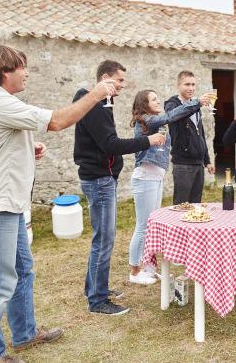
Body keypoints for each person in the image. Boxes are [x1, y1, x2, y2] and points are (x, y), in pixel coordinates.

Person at [0, 45, 117, 362]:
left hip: (8, 203)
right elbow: (58, 121)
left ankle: (25, 333)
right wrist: (96, 94)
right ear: (5, 71)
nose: (27, 73)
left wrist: (27, 149)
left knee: (22, 270)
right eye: (22, 67)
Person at [73, 60, 165, 316]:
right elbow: (110, 144)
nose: (123, 86)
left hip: (104, 178)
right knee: (104, 240)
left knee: (101, 239)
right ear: (105, 78)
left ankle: (94, 288)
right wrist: (146, 141)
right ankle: (98, 300)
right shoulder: (93, 105)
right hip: (99, 179)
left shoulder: (102, 104)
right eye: (120, 80)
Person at [127, 89, 211, 285]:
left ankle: (148, 267)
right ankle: (134, 270)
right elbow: (172, 115)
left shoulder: (156, 122)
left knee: (151, 225)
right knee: (142, 226)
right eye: (153, 99)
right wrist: (197, 102)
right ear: (144, 104)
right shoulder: (147, 120)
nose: (158, 101)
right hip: (145, 178)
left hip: (155, 178)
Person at [164, 71, 215, 204]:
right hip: (183, 164)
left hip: (198, 163)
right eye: (187, 84)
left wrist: (207, 160)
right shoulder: (172, 103)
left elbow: (201, 134)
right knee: (181, 206)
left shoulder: (195, 105)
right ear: (178, 85)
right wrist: (197, 103)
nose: (191, 88)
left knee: (196, 205)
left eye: (193, 84)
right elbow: (174, 115)